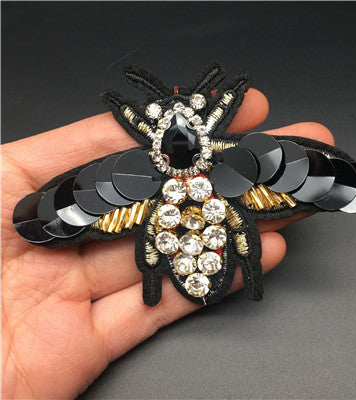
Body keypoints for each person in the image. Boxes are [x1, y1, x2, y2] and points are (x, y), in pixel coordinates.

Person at [1, 88, 334, 399]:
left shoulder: (149, 161)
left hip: (188, 218)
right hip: (191, 217)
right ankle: (220, 280)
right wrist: (231, 92)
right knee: (231, 225)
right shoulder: (219, 151)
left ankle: (159, 288)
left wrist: (122, 108)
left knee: (225, 225)